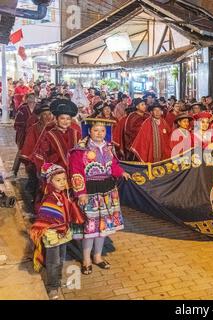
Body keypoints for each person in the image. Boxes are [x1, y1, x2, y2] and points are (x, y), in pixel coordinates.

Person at [69, 118, 130, 275]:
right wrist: (80, 193)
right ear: (89, 131)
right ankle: (86, 259)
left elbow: (113, 165)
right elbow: (76, 171)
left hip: (108, 191)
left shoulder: (109, 147)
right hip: (90, 191)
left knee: (103, 227)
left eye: (102, 131)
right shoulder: (80, 150)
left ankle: (97, 257)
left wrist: (121, 172)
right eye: (96, 130)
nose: (99, 133)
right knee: (90, 227)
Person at [30, 163, 84, 299]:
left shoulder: (63, 195)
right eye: (58, 180)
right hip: (52, 234)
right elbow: (44, 217)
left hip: (63, 232)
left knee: (60, 259)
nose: (62, 182)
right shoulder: (49, 198)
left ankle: (57, 281)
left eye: (64, 179)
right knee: (53, 261)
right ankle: (53, 287)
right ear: (50, 182)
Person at [33, 99, 81, 173]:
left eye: (68, 119)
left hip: (75, 171)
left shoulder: (76, 134)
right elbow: (40, 154)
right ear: (56, 119)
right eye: (62, 118)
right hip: (55, 172)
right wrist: (47, 168)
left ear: (71, 120)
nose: (65, 121)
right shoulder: (49, 135)